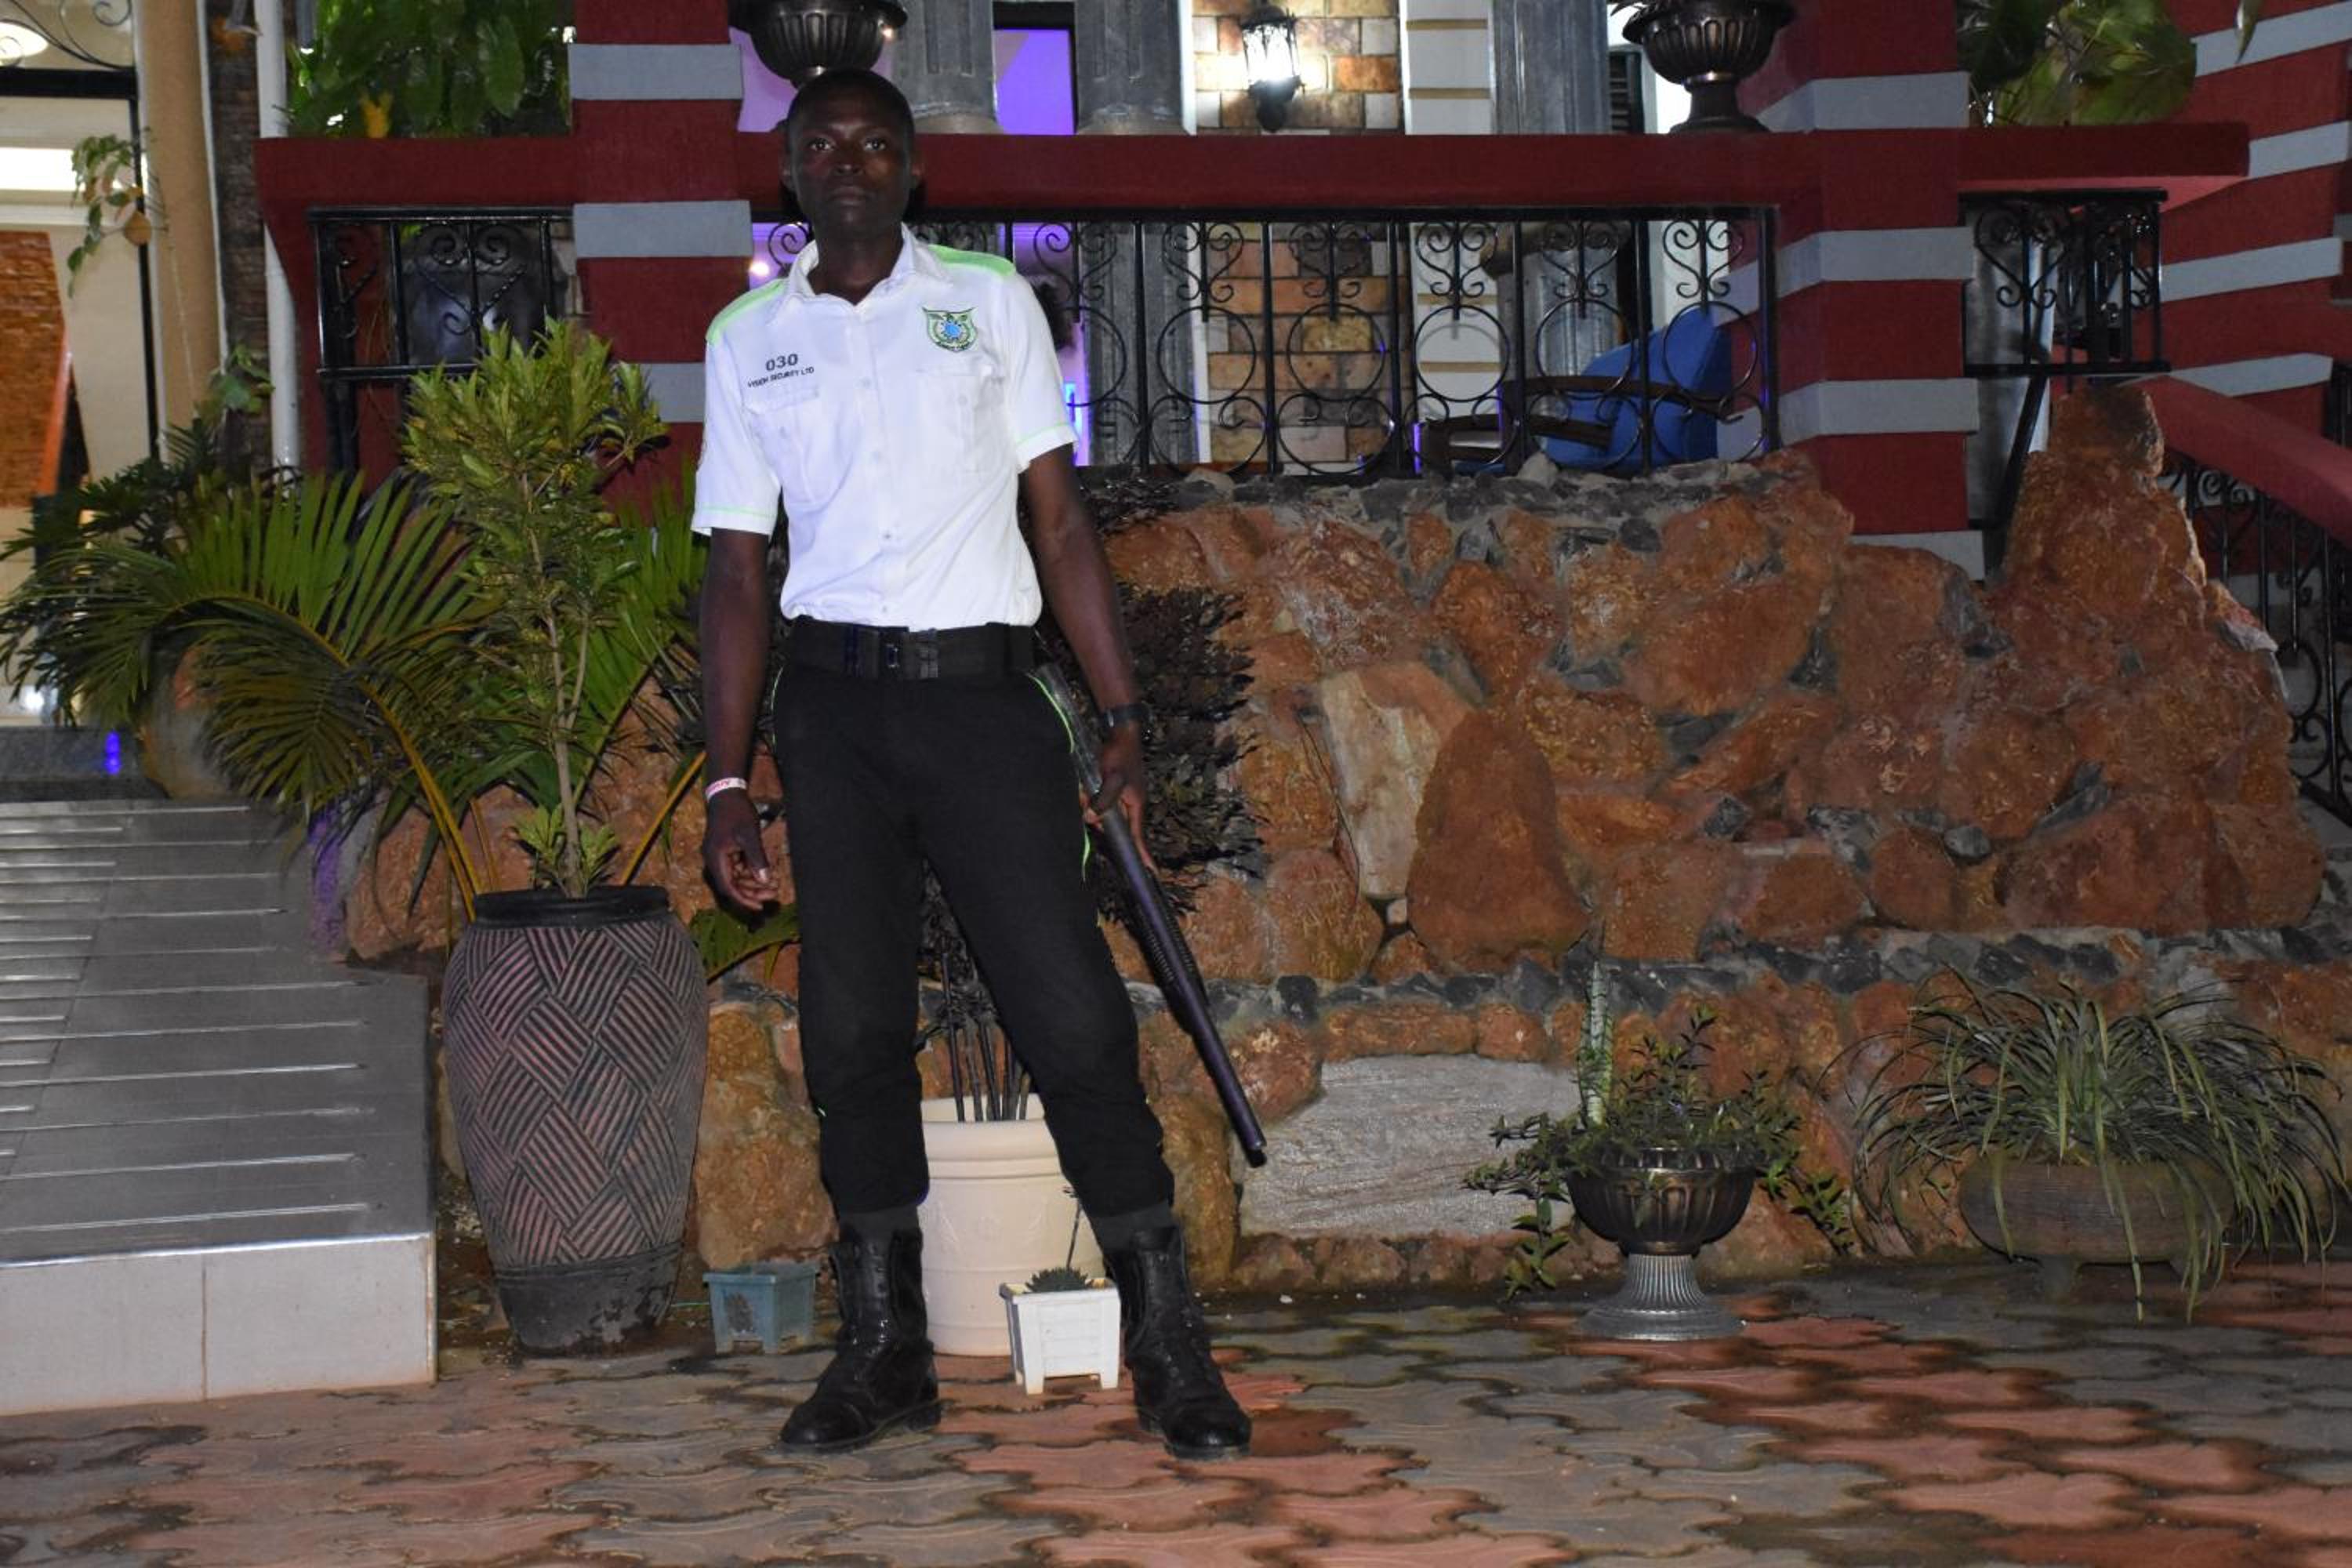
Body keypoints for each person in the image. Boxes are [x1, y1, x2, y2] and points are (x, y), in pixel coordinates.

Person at [691, 68, 1251, 1462]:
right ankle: (886, 1349)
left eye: (878, 143)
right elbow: (738, 571)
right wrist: (726, 779)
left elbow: (1059, 522)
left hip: (985, 708)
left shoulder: (992, 302)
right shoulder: (748, 340)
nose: (851, 163)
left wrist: (1120, 714)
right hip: (834, 716)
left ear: (914, 170)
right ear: (789, 172)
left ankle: (1168, 1342)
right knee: (851, 1031)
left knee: (1072, 1015)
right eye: (824, 144)